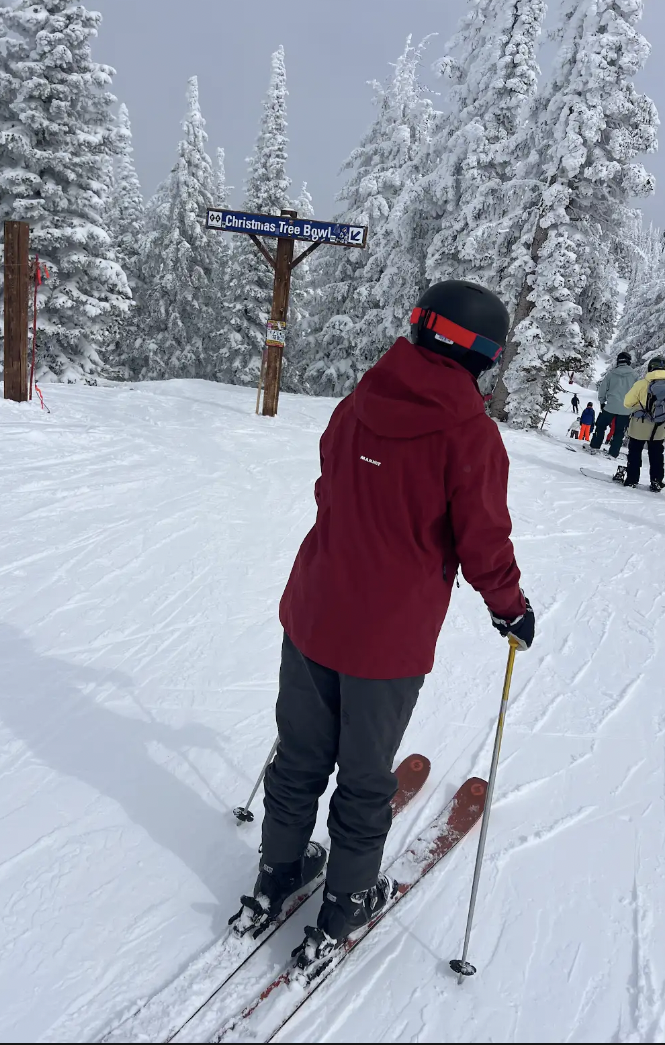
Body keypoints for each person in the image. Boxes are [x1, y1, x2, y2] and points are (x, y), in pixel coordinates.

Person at [236, 280, 535, 963]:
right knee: (365, 776)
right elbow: (483, 540)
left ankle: (277, 871)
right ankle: (344, 904)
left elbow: (329, 489)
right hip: (387, 639)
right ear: (482, 354)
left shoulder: (359, 401)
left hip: (314, 610)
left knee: (300, 755)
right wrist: (510, 608)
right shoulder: (470, 433)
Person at [616, 355, 665, 491]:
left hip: (639, 425)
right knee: (656, 455)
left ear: (650, 367)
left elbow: (627, 402)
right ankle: (656, 481)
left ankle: (632, 479)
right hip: (659, 427)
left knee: (635, 453)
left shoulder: (641, 384)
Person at [589, 352, 639, 457]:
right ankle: (614, 452)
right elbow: (637, 392)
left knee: (601, 426)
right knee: (619, 432)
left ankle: (595, 445)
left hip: (610, 406)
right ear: (629, 361)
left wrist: (602, 402)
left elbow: (602, 389)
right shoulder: (634, 376)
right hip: (626, 409)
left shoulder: (611, 374)